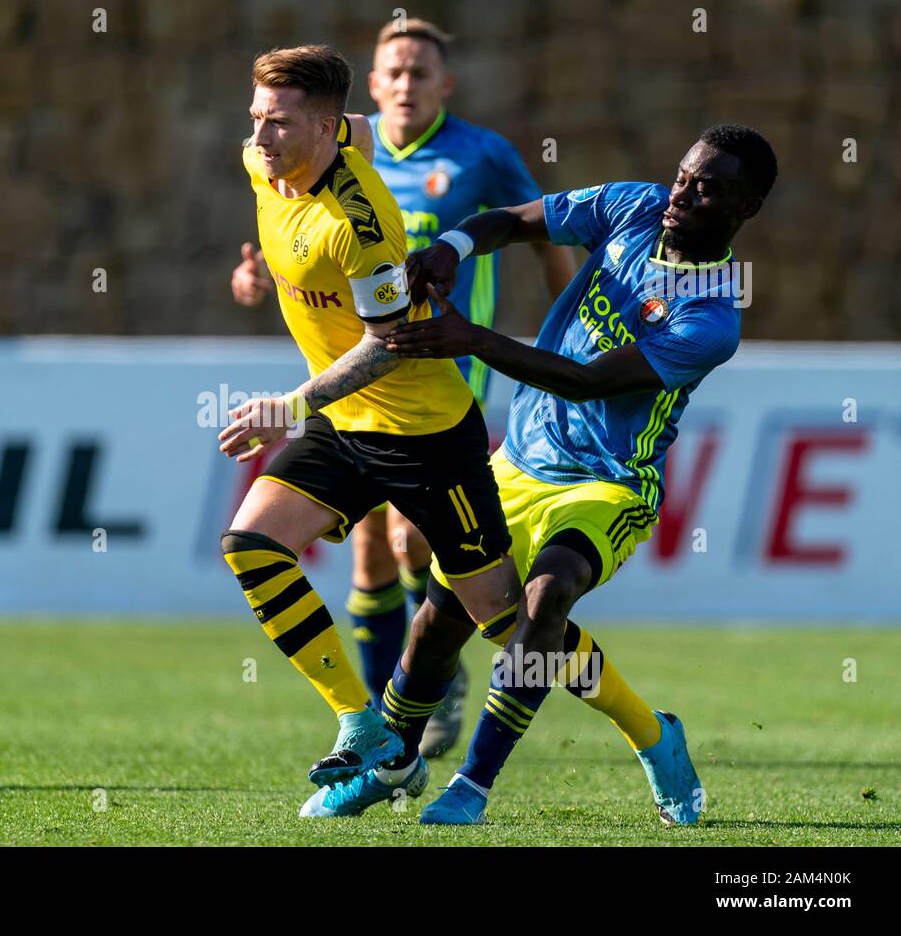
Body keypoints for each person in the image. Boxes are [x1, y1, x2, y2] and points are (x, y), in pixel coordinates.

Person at [318, 124, 777, 826]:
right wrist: (454, 245)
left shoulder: (712, 315)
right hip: (517, 462)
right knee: (439, 625)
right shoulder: (634, 206)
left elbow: (590, 383)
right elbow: (515, 219)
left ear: (747, 210)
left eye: (710, 189)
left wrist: (472, 339)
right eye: (686, 175)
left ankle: (471, 785)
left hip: (610, 482)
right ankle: (396, 765)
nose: (685, 194)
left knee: (547, 597)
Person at [230, 19, 576, 757]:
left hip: (441, 379)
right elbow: (292, 208)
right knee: (355, 555)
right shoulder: (318, 144)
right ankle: (378, 726)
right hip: (351, 398)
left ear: (444, 85)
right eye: (394, 71)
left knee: (418, 544)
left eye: (421, 72)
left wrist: (565, 336)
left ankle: (432, 681)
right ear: (376, 86)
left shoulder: (478, 157)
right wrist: (259, 270)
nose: (406, 85)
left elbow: (539, 233)